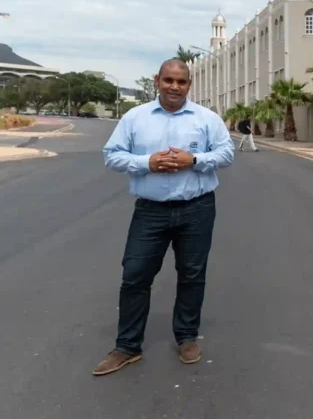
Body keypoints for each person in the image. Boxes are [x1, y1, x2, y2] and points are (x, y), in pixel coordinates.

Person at [94, 59, 234, 376]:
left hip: (197, 208)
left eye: (180, 82)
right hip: (150, 211)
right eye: (168, 80)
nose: (174, 86)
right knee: (135, 275)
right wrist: (148, 163)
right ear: (157, 80)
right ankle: (127, 346)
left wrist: (194, 159)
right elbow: (112, 155)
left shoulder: (207, 119)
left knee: (192, 274)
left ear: (189, 84)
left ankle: (186, 337)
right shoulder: (135, 118)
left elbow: (226, 153)